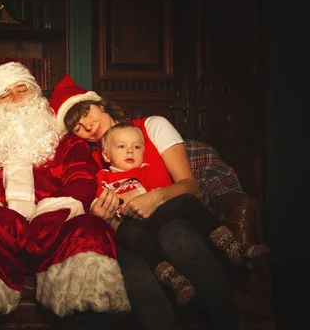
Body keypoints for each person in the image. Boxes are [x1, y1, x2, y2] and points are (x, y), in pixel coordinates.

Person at [0, 61, 131, 330]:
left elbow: (81, 178)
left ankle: (86, 320)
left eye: (22, 89)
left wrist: (54, 213)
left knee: (90, 230)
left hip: (54, 234)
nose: (16, 98)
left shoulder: (66, 142)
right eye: (5, 94)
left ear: (37, 95)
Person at [49, 74, 247, 329]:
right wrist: (101, 216)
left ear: (99, 104)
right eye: (77, 127)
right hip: (131, 235)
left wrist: (153, 197)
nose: (87, 126)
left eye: (86, 112)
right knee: (130, 267)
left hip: (172, 219)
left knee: (174, 236)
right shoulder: (91, 161)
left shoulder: (153, 126)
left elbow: (190, 188)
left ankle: (229, 321)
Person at [97, 122, 268, 306]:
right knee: (130, 234)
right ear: (106, 155)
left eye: (136, 147)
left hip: (156, 216)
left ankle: (230, 245)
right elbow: (99, 203)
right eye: (122, 147)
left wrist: (145, 195)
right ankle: (170, 277)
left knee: (186, 199)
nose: (130, 151)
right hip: (131, 224)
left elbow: (161, 190)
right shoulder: (103, 177)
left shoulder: (147, 169)